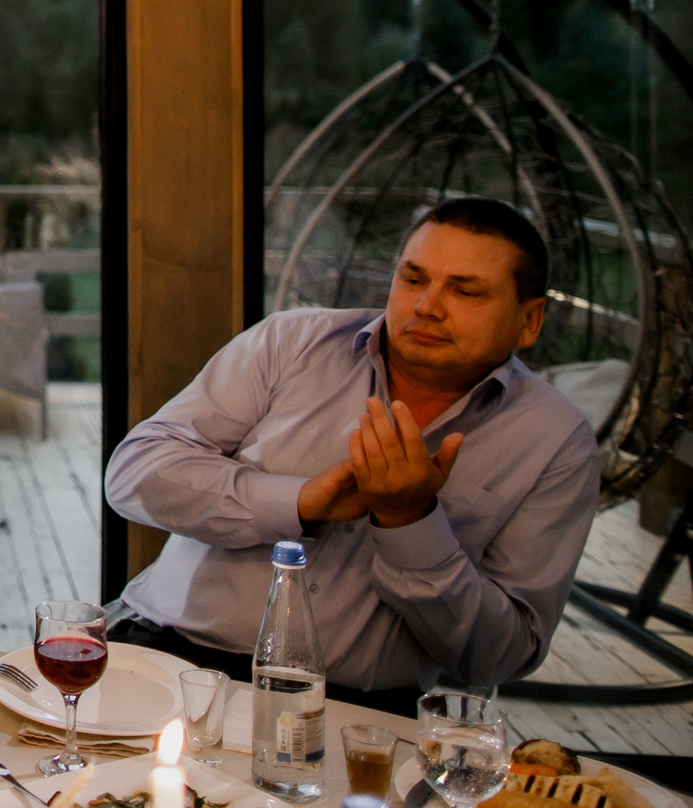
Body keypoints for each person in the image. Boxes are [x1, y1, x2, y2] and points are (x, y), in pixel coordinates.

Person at [104, 197, 603, 708]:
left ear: (530, 320)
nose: (427, 306)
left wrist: (411, 524)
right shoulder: (291, 342)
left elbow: (501, 657)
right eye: (413, 279)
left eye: (465, 291)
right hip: (168, 653)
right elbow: (133, 473)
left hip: (354, 713)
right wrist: (300, 503)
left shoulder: (554, 439)